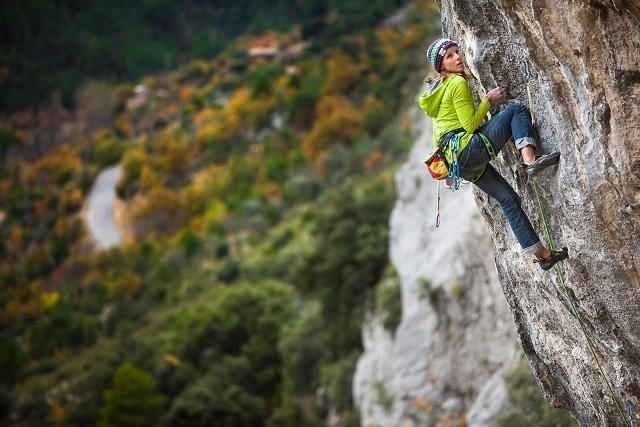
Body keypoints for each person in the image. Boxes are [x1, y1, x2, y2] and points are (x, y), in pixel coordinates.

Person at [419, 38, 568, 271]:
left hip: (458, 164)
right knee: (516, 110)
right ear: (441, 65)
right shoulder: (457, 83)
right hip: (467, 148)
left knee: (509, 201)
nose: (457, 57)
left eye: (457, 52)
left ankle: (543, 255)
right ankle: (530, 161)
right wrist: (488, 100)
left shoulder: (438, 94)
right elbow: (469, 125)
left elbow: (443, 133)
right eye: (449, 56)